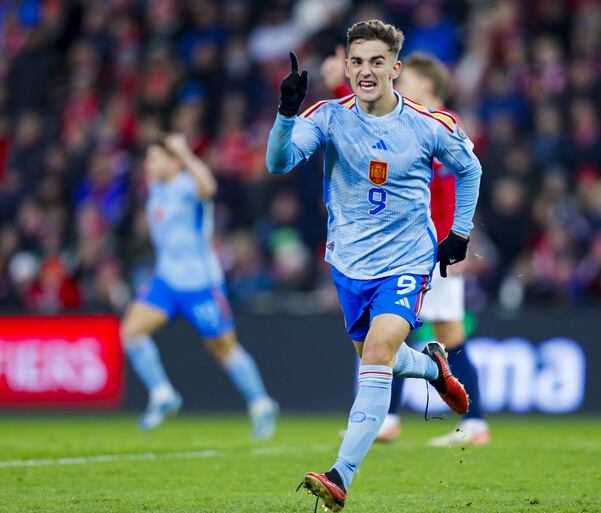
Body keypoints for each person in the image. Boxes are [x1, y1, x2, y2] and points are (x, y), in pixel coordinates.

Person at [267, 20, 482, 512]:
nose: (366, 71)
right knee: (377, 356)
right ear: (346, 67)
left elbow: (470, 169)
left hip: (407, 259)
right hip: (349, 263)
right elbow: (278, 162)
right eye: (358, 62)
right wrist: (285, 112)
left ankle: (340, 474)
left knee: (379, 351)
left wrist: (460, 233)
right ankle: (430, 368)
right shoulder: (327, 117)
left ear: (395, 69)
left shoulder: (429, 126)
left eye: (377, 62)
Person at [321, 50, 491, 446]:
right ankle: (389, 418)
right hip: (407, 245)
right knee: (393, 332)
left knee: (445, 334)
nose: (397, 85)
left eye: (408, 79)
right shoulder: (407, 123)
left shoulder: (439, 127)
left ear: (428, 86)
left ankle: (474, 423)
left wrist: (458, 239)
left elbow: (454, 186)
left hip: (431, 247)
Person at [120, 133, 278, 438]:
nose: (148, 164)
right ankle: (162, 394)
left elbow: (210, 187)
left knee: (224, 350)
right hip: (166, 280)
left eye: (154, 158)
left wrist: (187, 154)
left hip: (200, 284)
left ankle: (261, 404)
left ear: (173, 161)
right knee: (130, 332)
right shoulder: (156, 187)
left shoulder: (188, 184)